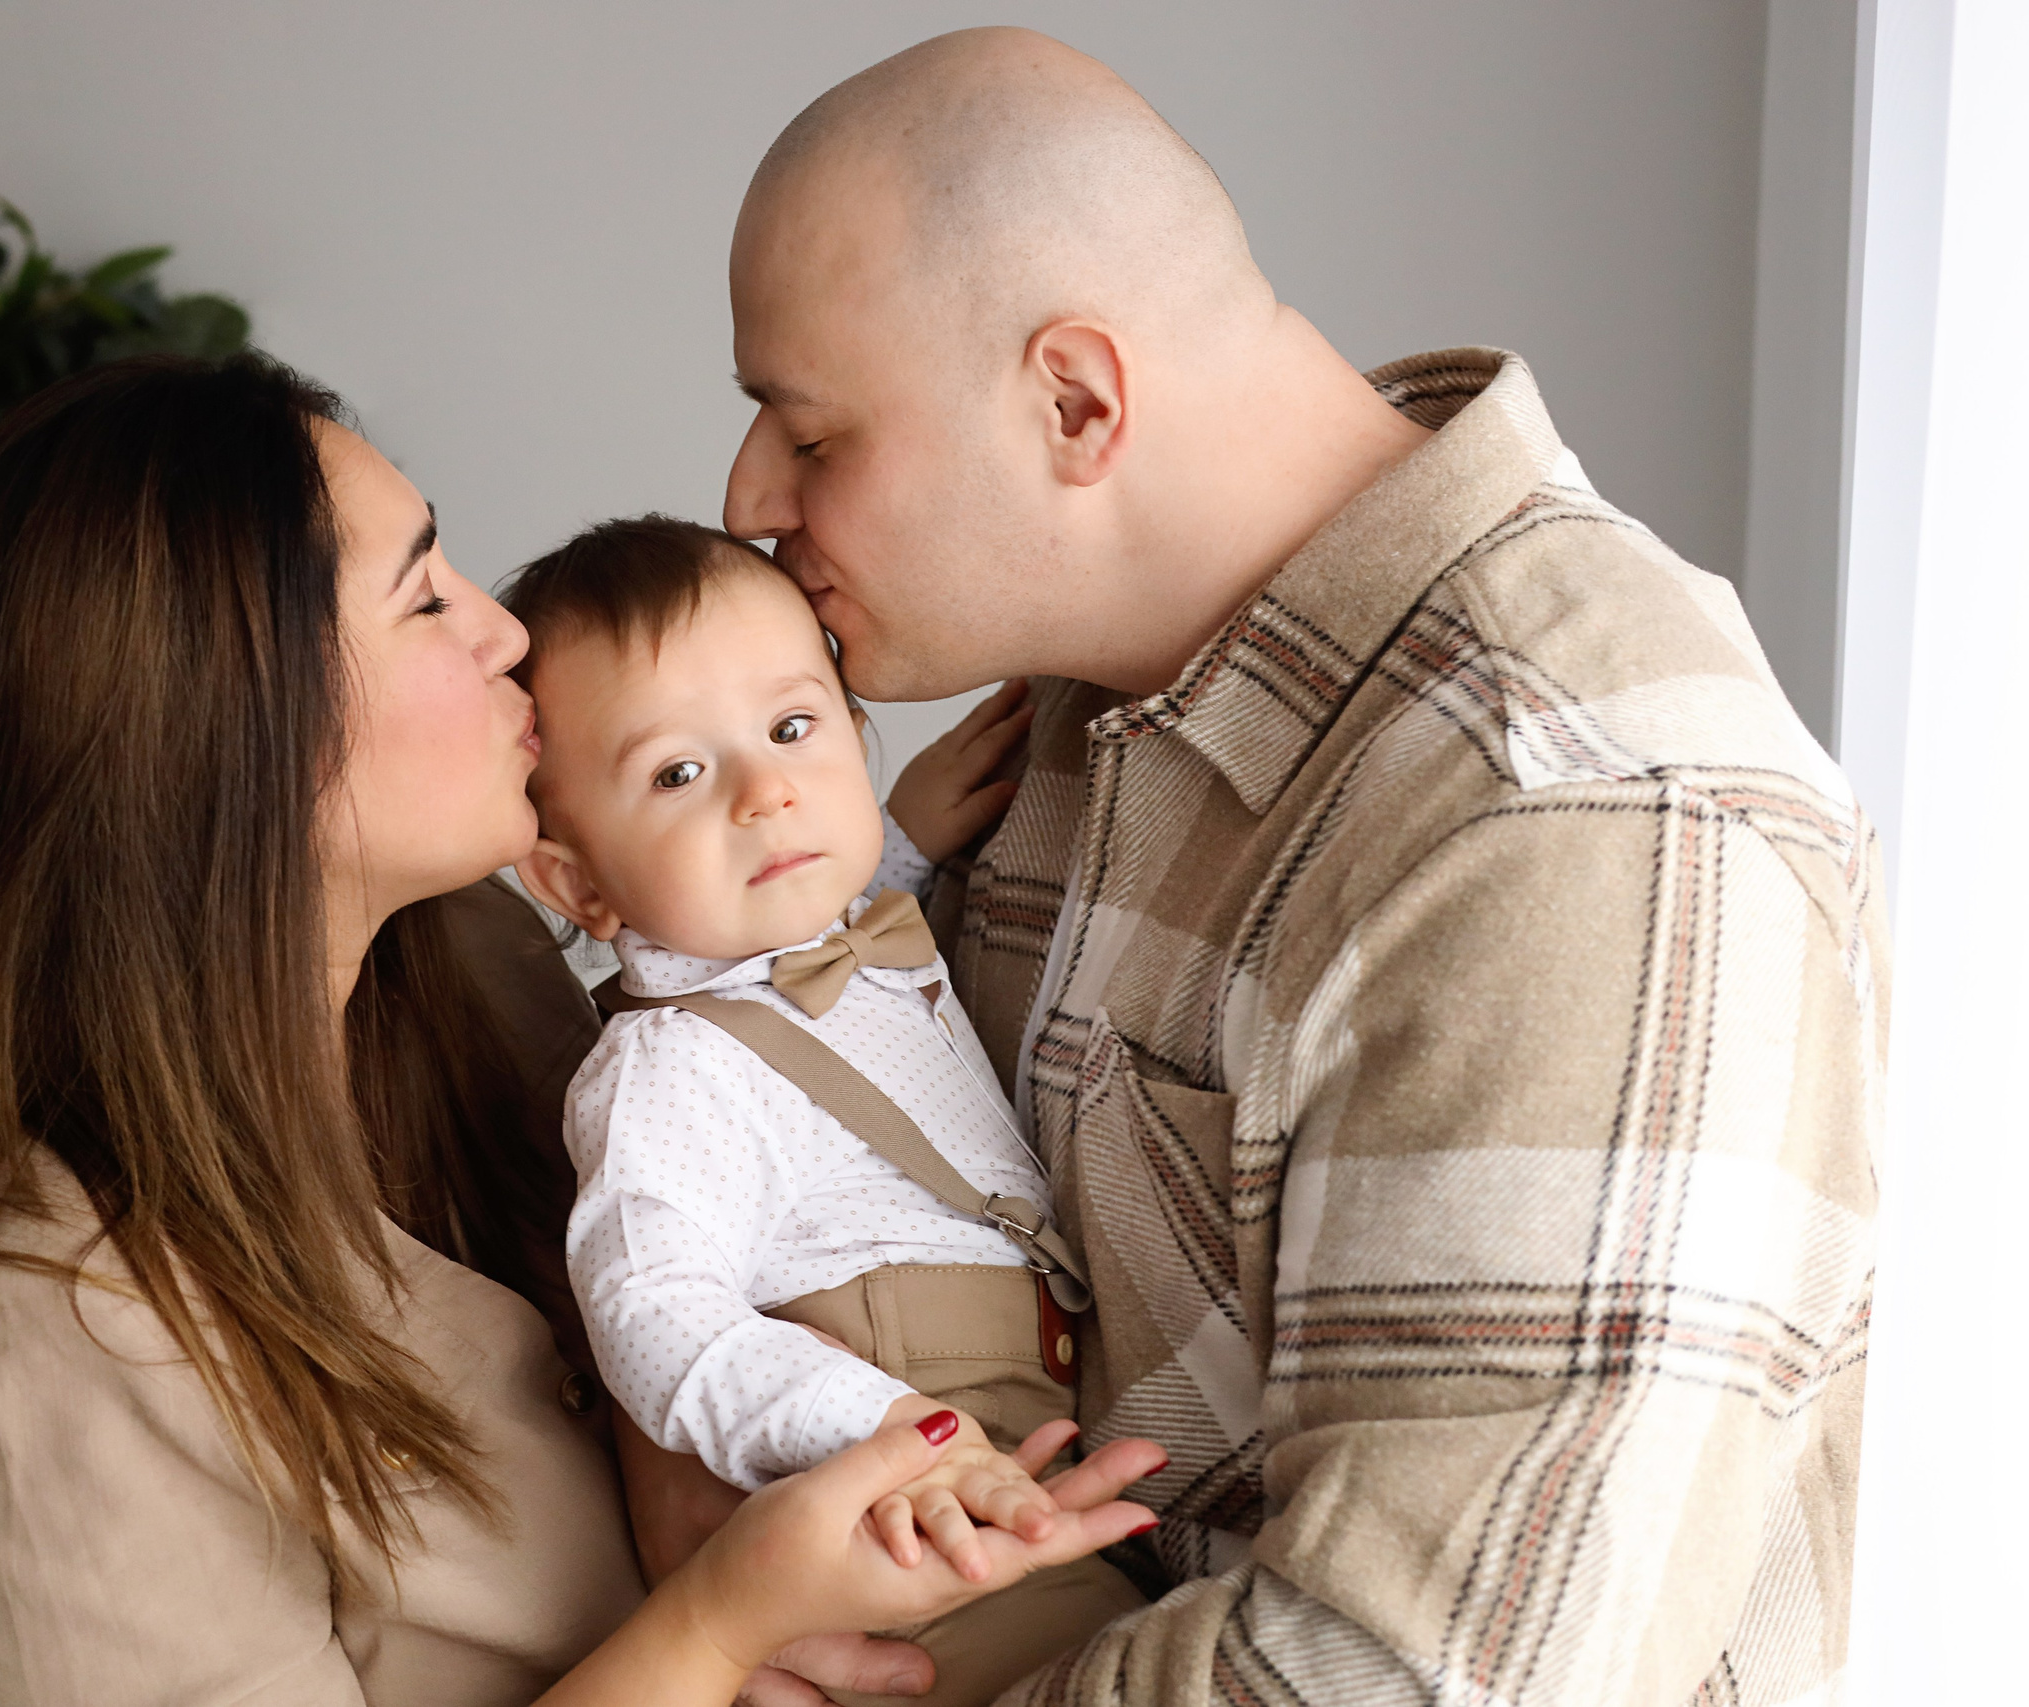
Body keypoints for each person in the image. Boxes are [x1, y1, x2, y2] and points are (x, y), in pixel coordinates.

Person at [715, 28, 1885, 1707]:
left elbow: (1418, 1675)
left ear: (1075, 401)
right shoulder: (1071, 699)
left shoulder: (1577, 819)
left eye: (806, 433)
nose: (746, 496)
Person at [0, 354, 1160, 1707]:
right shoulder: (23, 1355)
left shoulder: (476, 969)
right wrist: (718, 1626)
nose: (501, 631)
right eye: (424, 596)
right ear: (232, 736)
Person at [503, 516, 1143, 1706]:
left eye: (794, 730)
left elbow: (809, 985)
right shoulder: (665, 1073)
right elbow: (655, 1318)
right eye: (677, 774)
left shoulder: (837, 931)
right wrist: (884, 1425)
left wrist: (893, 842)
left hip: (1017, 1416)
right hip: (896, 1467)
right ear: (580, 882)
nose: (768, 794)